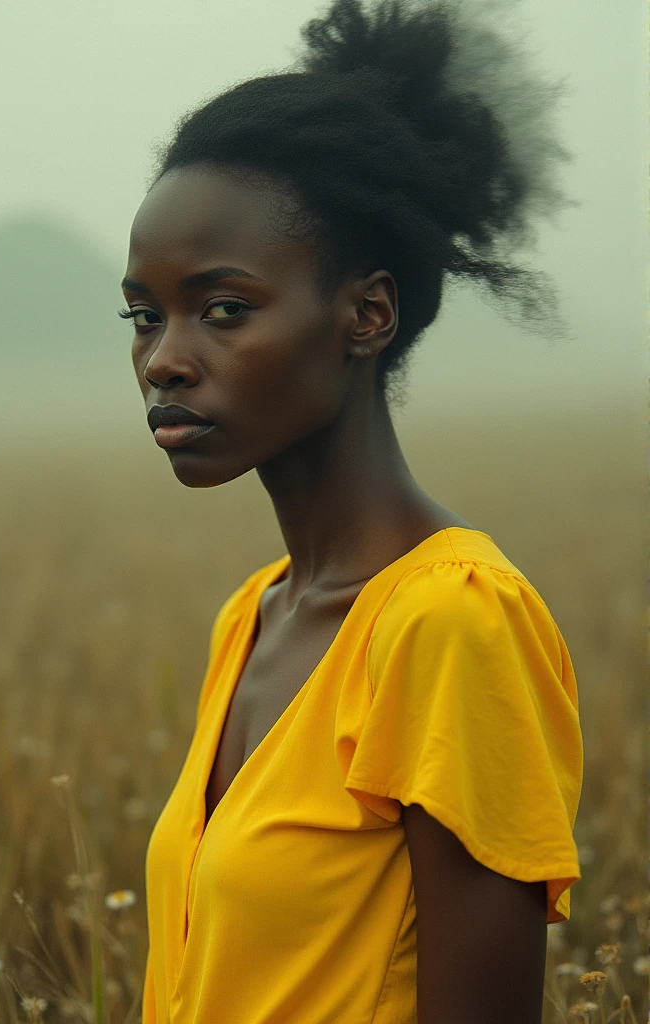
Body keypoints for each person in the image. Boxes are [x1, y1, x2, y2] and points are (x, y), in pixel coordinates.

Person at [119, 0, 583, 1020]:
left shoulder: (449, 622)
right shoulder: (255, 617)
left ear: (364, 314)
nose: (163, 358)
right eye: (145, 315)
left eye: (222, 308)